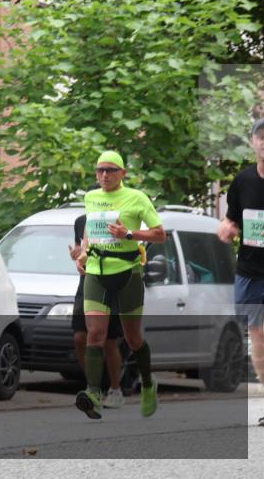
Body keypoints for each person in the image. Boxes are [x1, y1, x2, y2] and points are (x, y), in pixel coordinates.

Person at [75, 150, 166, 420]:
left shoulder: (136, 198)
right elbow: (91, 230)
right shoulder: (91, 197)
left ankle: (149, 384)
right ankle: (93, 394)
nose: (104, 175)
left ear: (122, 173)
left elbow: (160, 235)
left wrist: (129, 233)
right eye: (100, 170)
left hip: (127, 272)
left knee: (132, 338)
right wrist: (83, 252)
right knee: (95, 335)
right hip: (96, 272)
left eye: (111, 170)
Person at [216, 117, 264, 427]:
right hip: (249, 271)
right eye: (260, 137)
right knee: (257, 336)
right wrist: (227, 228)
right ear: (251, 143)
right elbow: (233, 219)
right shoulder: (243, 181)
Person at [69, 212, 125, 408]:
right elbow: (81, 249)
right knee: (79, 337)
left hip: (111, 284)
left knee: (109, 341)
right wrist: (77, 255)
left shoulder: (118, 218)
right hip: (86, 284)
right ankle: (95, 387)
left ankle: (115, 389)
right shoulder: (81, 221)